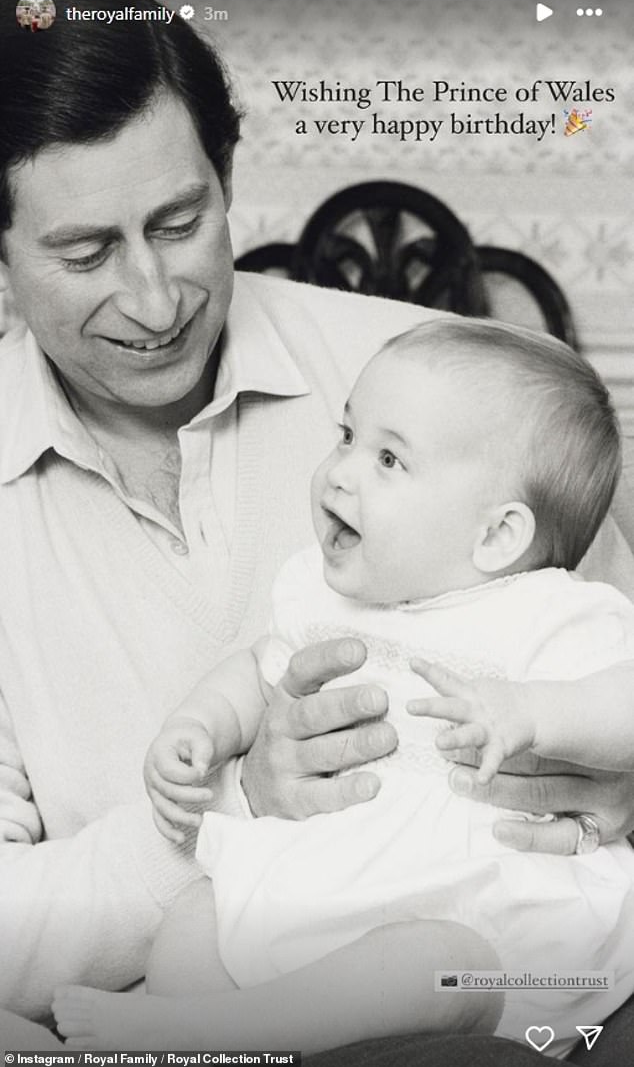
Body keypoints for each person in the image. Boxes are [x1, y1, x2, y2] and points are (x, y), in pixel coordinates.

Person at [1, 0, 634, 1062]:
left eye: (179, 222)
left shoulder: (439, 380)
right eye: (84, 252)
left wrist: (603, 771)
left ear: (229, 178)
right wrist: (219, 808)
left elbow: (594, 648)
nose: (155, 302)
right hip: (166, 1000)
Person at [52, 318, 634, 1057]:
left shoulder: (548, 613)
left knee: (440, 963)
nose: (340, 470)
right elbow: (258, 671)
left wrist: (534, 713)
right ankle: (192, 1030)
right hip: (321, 902)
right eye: (347, 434)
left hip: (486, 937)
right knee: (195, 922)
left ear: (497, 537)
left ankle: (204, 1033)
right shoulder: (322, 598)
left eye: (389, 459)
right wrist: (198, 729)